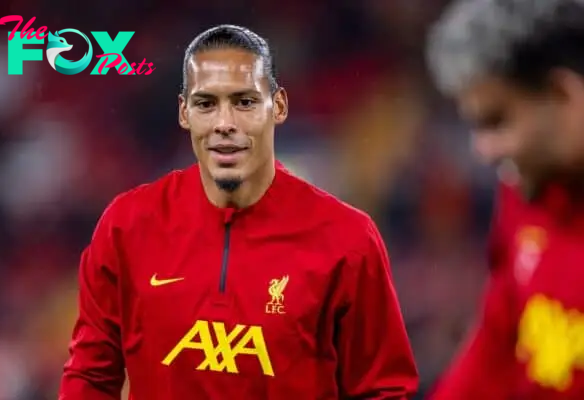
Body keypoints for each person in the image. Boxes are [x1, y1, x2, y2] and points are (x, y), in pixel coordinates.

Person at [58, 24, 418, 399]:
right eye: (206, 103)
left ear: (277, 106)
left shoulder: (348, 239)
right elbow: (90, 377)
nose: (224, 124)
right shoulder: (128, 225)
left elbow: (382, 390)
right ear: (184, 112)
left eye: (244, 102)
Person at [426, 0, 584, 398]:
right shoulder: (525, 195)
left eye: (497, 121)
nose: (484, 150)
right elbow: (497, 340)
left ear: (563, 94)